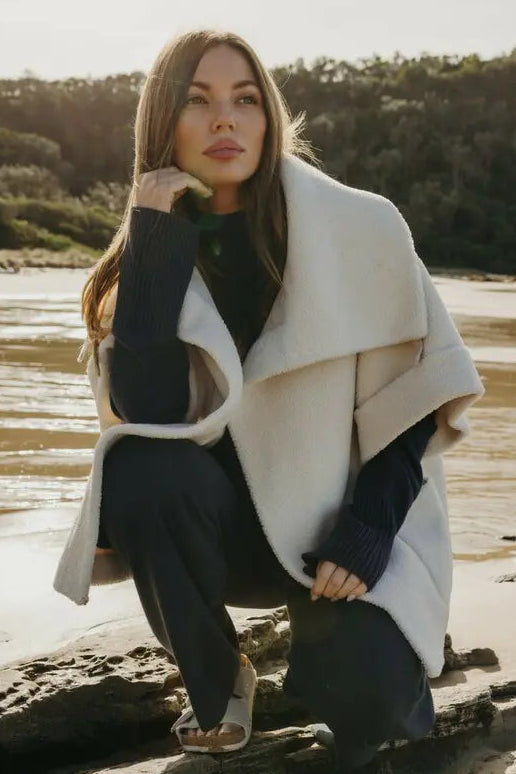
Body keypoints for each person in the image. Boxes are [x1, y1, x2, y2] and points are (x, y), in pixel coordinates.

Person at [53, 29, 485, 773]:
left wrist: (370, 530)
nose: (225, 118)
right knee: (135, 466)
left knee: (375, 712)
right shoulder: (143, 260)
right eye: (198, 100)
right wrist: (154, 241)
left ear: (268, 117)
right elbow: (146, 412)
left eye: (245, 99)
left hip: (338, 529)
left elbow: (419, 398)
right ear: (163, 122)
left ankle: (350, 665)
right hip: (223, 535)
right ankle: (220, 680)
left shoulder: (362, 225)